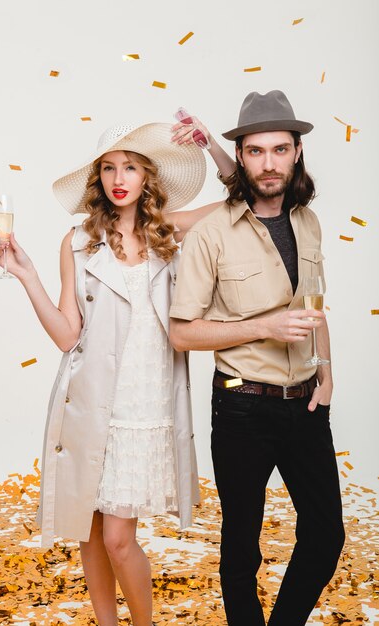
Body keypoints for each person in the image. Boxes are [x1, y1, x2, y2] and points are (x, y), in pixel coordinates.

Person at [0, 121, 219, 626]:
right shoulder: (78, 242)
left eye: (130, 167)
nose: (119, 177)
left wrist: (213, 148)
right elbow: (69, 336)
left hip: (145, 407)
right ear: (98, 178)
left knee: (118, 537)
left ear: (146, 177)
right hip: (90, 402)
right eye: (109, 167)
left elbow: (238, 205)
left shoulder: (168, 234)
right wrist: (28, 277)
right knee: (90, 531)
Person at [169, 91, 345, 626]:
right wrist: (263, 327)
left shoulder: (308, 222)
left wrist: (328, 375)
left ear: (296, 154)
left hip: (307, 405)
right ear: (241, 157)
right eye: (255, 151)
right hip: (243, 407)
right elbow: (181, 333)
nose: (269, 163)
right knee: (242, 545)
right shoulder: (211, 231)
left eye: (280, 150)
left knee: (325, 534)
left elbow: (315, 307)